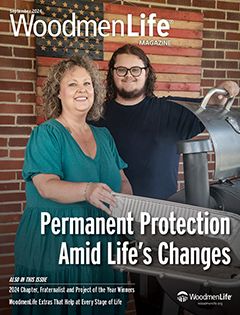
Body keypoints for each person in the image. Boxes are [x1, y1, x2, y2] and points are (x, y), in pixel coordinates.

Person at [94, 44, 240, 315]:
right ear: (112, 74)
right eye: (121, 69)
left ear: (147, 73)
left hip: (158, 224)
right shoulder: (96, 116)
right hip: (107, 219)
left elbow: (214, 106)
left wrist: (227, 86)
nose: (129, 75)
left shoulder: (170, 110)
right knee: (107, 295)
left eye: (136, 69)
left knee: (157, 299)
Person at [13, 55, 132, 315]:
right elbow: (45, 185)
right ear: (57, 93)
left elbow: (122, 181)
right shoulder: (46, 133)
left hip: (101, 243)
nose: (82, 90)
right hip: (55, 243)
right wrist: (86, 190)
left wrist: (128, 207)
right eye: (72, 84)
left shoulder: (104, 135)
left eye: (88, 84)